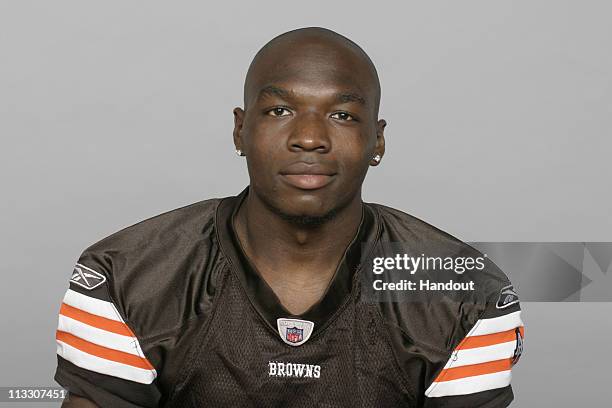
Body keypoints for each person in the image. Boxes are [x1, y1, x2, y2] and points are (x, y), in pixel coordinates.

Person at [55, 27, 524, 407]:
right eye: (280, 110)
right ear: (241, 129)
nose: (309, 137)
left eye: (342, 115)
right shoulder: (125, 276)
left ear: (377, 141)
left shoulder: (465, 292)